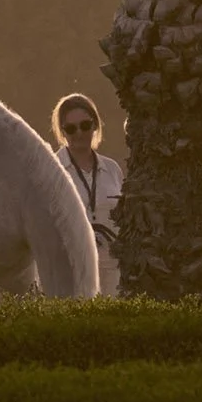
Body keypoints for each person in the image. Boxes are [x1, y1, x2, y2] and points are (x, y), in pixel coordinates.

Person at [52, 93, 122, 295]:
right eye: (71, 128)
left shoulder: (113, 169)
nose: (79, 133)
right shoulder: (53, 172)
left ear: (95, 126)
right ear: (63, 132)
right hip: (71, 272)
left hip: (113, 271)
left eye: (85, 125)